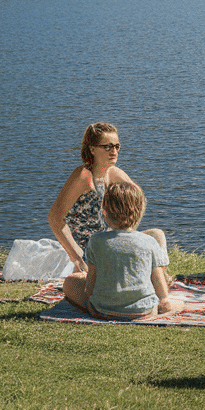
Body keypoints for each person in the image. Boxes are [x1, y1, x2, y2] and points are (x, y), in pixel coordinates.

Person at [62, 180, 184, 320]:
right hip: (143, 311)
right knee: (177, 303)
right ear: (139, 212)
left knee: (70, 283)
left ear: (105, 213)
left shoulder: (96, 241)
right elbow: (159, 282)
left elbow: (91, 280)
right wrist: (164, 300)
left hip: (103, 310)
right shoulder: (150, 242)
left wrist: (89, 302)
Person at [48, 122, 135, 274]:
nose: (114, 151)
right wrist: (77, 258)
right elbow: (55, 218)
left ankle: (161, 280)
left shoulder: (114, 174)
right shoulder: (82, 176)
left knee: (157, 236)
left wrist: (128, 232)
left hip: (108, 244)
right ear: (92, 149)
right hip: (82, 251)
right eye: (107, 146)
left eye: (117, 146)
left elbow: (139, 203)